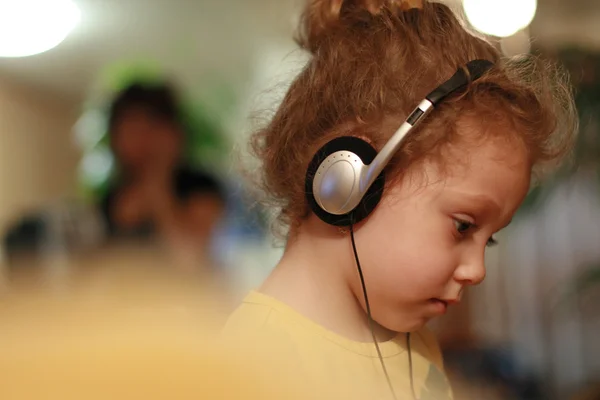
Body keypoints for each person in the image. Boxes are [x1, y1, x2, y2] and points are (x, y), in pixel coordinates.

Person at [221, 1, 578, 399]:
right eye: (463, 226)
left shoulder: (413, 344)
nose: (477, 271)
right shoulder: (254, 364)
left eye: (488, 239)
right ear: (350, 180)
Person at [99, 82, 226, 272]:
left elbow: (189, 257)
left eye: (151, 127)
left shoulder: (200, 186)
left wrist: (158, 180)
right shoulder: (111, 196)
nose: (143, 140)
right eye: (131, 129)